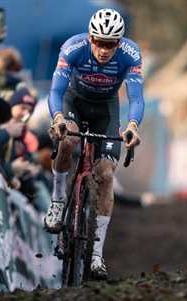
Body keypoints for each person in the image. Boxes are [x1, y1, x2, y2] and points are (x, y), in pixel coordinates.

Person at [44, 8, 144, 280]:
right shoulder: (73, 47)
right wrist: (58, 118)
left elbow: (136, 97)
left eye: (110, 44)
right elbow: (55, 91)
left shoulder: (130, 54)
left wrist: (133, 126)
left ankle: (97, 254)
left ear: (120, 43)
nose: (103, 50)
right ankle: (58, 199)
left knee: (106, 176)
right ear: (90, 38)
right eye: (99, 42)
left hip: (106, 110)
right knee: (67, 142)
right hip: (73, 102)